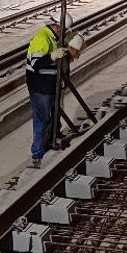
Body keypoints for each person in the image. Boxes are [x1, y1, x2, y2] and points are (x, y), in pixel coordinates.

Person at [26, 13, 82, 168]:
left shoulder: (53, 37)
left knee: (51, 116)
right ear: (57, 26)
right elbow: (36, 64)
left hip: (49, 85)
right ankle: (38, 154)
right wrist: (52, 57)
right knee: (43, 119)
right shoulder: (42, 38)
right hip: (40, 87)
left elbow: (74, 37)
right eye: (62, 30)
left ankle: (50, 144)